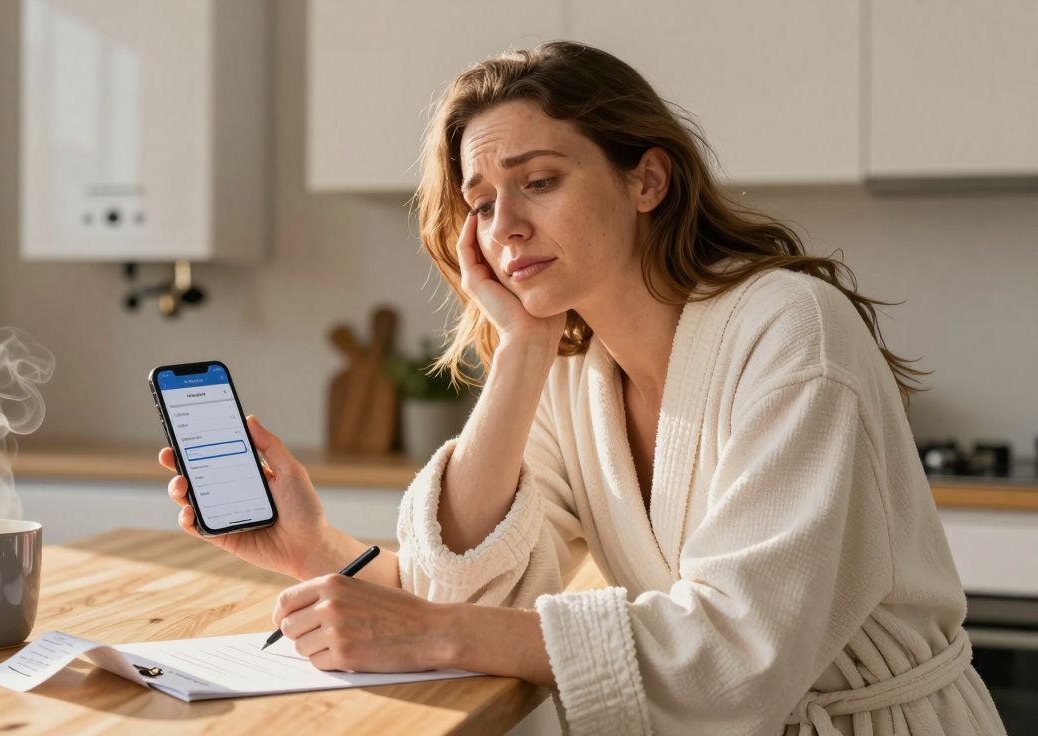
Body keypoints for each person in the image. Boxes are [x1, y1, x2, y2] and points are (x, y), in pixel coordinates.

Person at [158, 41, 1004, 735]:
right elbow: (468, 593)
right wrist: (316, 546)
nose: (504, 227)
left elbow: (737, 654)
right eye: (480, 203)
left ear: (647, 181)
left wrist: (440, 631)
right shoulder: (575, 372)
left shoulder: (788, 328)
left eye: (539, 181)